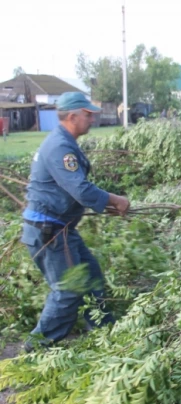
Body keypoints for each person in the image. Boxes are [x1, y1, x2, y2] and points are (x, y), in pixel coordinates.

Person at [20, 92, 130, 351]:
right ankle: (34, 350)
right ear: (72, 116)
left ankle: (105, 336)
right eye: (88, 114)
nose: (93, 119)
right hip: (50, 232)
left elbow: (71, 191)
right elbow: (80, 190)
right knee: (68, 292)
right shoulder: (60, 147)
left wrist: (105, 206)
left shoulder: (65, 142)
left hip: (61, 229)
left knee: (91, 277)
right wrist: (115, 200)